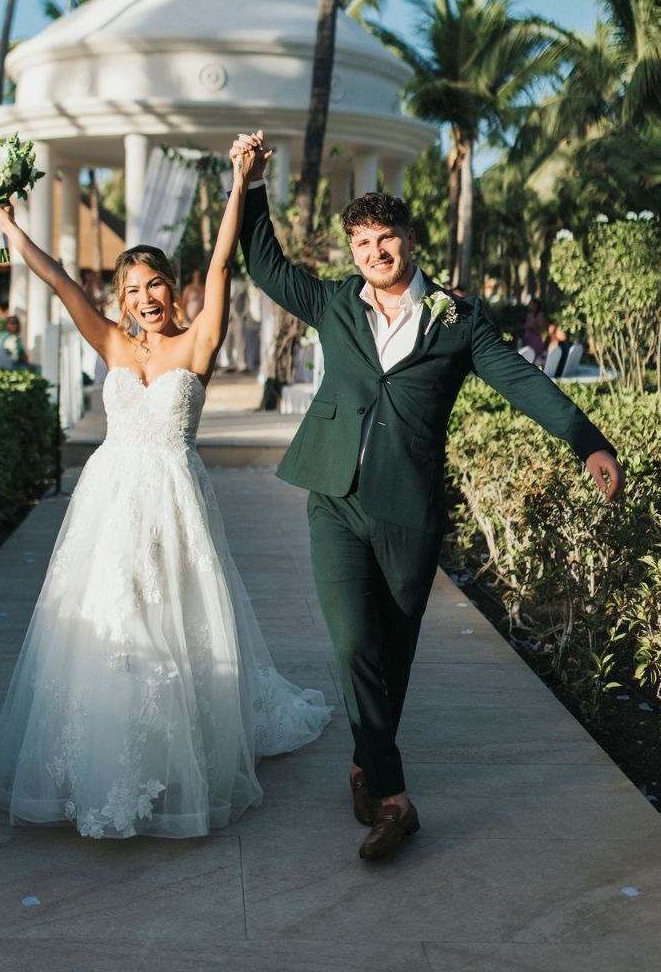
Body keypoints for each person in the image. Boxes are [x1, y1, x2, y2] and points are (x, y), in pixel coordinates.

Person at [231, 128, 624, 862]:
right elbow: (264, 264)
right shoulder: (334, 303)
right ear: (350, 252)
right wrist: (252, 185)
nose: (375, 253)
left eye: (386, 239)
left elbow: (524, 381)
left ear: (410, 239)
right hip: (335, 498)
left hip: (409, 509)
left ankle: (364, 766)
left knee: (394, 653)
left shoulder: (458, 318)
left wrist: (587, 440)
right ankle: (396, 801)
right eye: (362, 243)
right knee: (353, 644)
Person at [0, 153, 332, 838]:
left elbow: (226, 262)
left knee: (174, 623)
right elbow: (57, 281)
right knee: (110, 627)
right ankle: (102, 755)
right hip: (109, 502)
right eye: (134, 289)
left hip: (173, 501)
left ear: (175, 291)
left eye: (157, 285)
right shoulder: (113, 343)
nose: (147, 298)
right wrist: (9, 226)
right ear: (122, 300)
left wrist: (241, 185)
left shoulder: (199, 341)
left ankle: (178, 752)